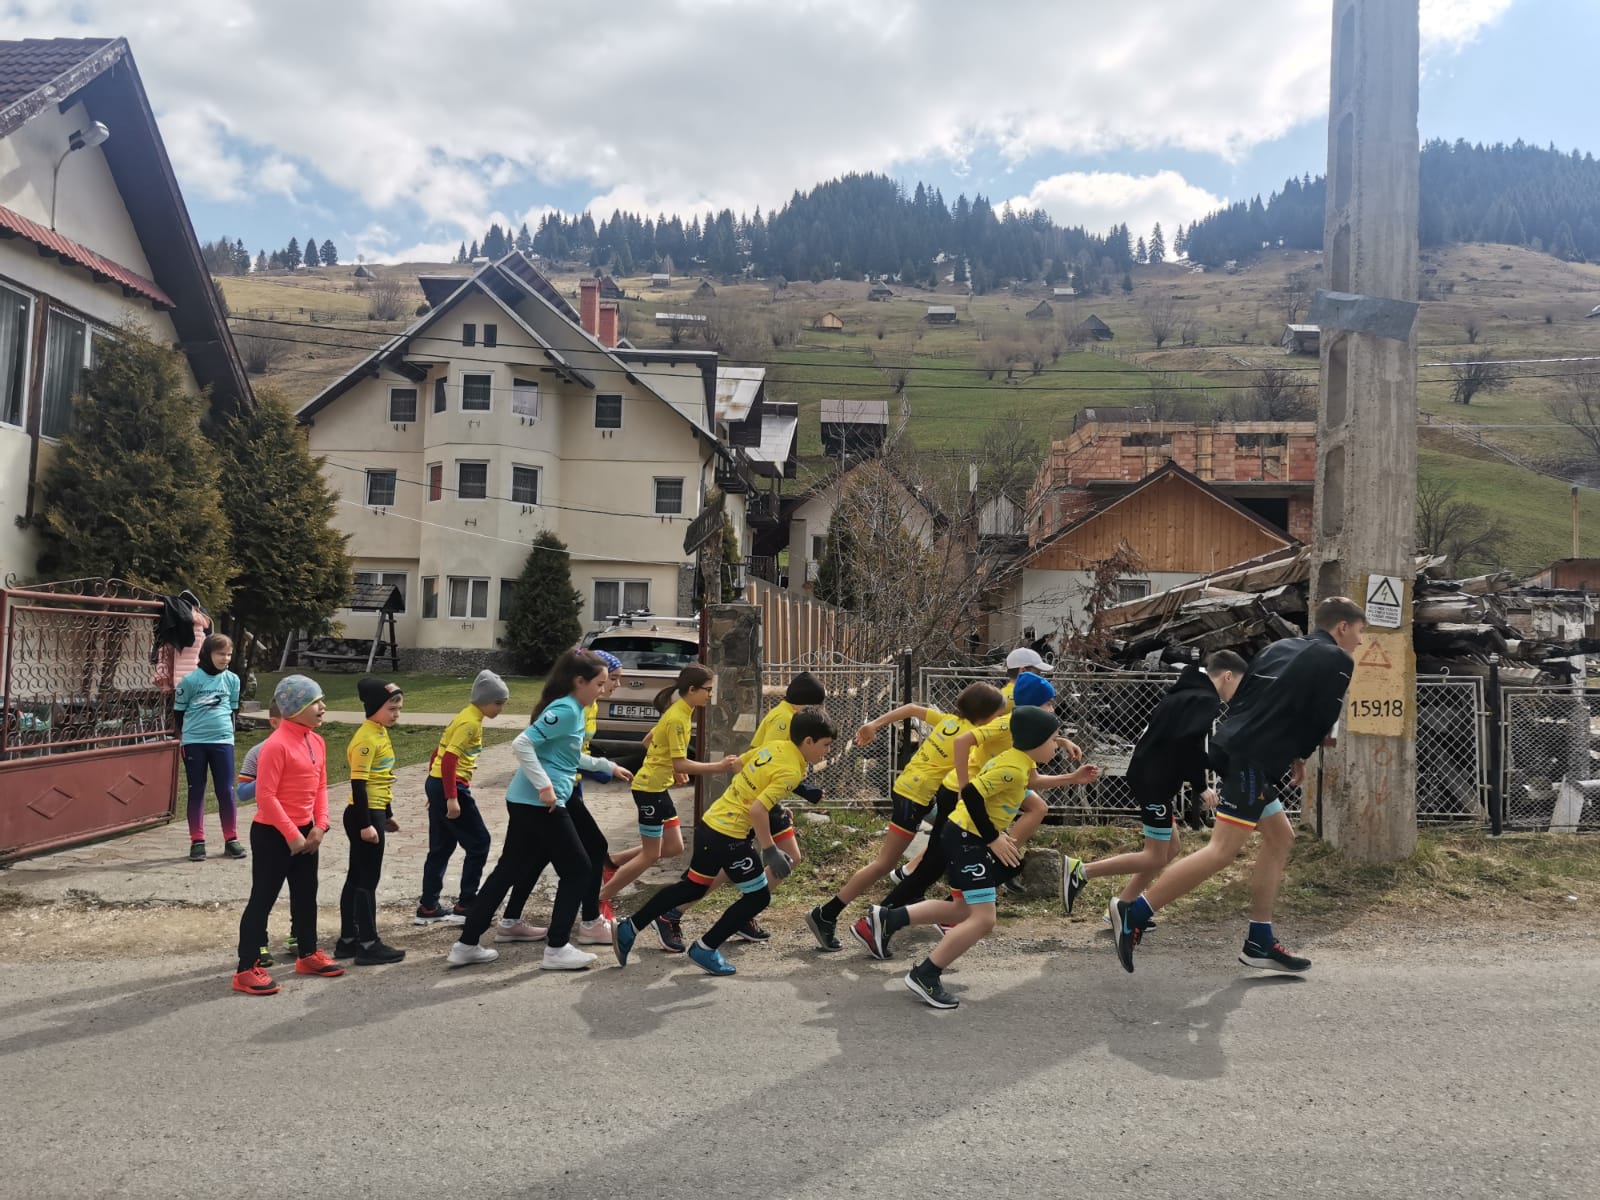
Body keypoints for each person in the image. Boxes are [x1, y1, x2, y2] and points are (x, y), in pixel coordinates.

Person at [1109, 598, 1363, 975]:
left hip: (1236, 748)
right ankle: (1134, 913)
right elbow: (1323, 714)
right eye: (1359, 632)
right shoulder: (1338, 660)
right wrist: (1301, 755)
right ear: (1342, 627)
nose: (1359, 641)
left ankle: (1259, 940)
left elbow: (1243, 697)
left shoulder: (1278, 647)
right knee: (1221, 850)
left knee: (1280, 837)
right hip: (1253, 760)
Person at [858, 706, 1099, 1008]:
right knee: (984, 919)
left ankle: (888, 918)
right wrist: (993, 837)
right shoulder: (1010, 766)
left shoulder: (1020, 761)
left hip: (963, 835)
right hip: (966, 839)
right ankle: (925, 974)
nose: (1057, 745)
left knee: (961, 910)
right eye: (1053, 739)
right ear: (1036, 742)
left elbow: (1030, 784)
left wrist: (1072, 778)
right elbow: (971, 793)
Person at [612, 711, 836, 977]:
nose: (827, 752)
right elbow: (757, 810)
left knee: (693, 888)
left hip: (711, 823)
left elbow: (741, 765)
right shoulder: (791, 769)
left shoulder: (777, 746)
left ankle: (629, 927)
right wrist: (770, 850)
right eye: (826, 745)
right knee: (758, 896)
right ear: (808, 741)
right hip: (729, 835)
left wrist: (785, 791)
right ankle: (706, 947)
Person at [448, 651, 632, 971]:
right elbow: (522, 744)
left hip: (529, 802)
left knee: (507, 870)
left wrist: (607, 766)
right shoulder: (565, 709)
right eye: (599, 684)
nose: (603, 690)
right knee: (577, 868)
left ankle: (466, 944)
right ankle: (558, 948)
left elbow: (566, 755)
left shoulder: (574, 709)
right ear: (579, 681)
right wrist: (545, 785)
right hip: (539, 803)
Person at [804, 681, 1006, 950]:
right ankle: (826, 914)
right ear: (986, 717)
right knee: (884, 863)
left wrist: (873, 725)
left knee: (938, 844)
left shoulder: (947, 721)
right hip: (914, 798)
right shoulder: (972, 737)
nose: (1000, 720)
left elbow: (911, 708)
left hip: (912, 791)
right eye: (998, 716)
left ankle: (911, 891)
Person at [1062, 651, 1247, 923]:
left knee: (1169, 850)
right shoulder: (1205, 700)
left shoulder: (1185, 692)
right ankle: (1082, 871)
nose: (1236, 693)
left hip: (1151, 775)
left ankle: (1122, 909)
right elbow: (1188, 744)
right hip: (1155, 781)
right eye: (1238, 684)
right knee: (1154, 856)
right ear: (1228, 675)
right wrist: (1201, 786)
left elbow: (1180, 741)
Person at [874, 671, 1065, 916]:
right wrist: (965, 787)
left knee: (942, 861)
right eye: (1048, 703)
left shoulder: (1026, 727)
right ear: (1033, 703)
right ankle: (887, 913)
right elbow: (963, 741)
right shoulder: (1008, 723)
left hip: (977, 794)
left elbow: (1033, 772)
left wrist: (1063, 745)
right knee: (936, 862)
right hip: (959, 793)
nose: (1052, 708)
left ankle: (949, 905)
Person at [597, 664, 741, 951]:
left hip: (657, 787)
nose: (709, 696)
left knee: (673, 847)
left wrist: (670, 769)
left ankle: (611, 861)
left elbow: (649, 740)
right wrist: (719, 767)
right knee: (651, 854)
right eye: (707, 690)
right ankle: (597, 902)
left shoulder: (679, 712)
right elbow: (679, 761)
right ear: (692, 690)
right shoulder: (678, 717)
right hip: (649, 790)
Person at [497, 649, 628, 943]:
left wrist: (605, 766)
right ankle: (588, 923)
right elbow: (536, 746)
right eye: (612, 679)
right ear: (585, 681)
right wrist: (548, 785)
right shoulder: (575, 706)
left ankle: (511, 919)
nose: (615, 685)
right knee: (590, 850)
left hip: (567, 786)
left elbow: (574, 753)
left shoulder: (584, 704)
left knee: (539, 855)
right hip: (556, 791)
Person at [231, 675, 344, 996]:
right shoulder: (276, 745)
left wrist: (320, 825)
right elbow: (265, 796)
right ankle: (245, 968)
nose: (323, 707)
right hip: (273, 834)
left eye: (321, 700)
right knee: (262, 899)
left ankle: (307, 954)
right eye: (316, 702)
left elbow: (321, 786)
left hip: (307, 832)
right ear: (295, 709)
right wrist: (293, 835)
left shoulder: (316, 741)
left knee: (306, 894)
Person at [737, 670, 828, 939]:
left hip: (767, 799)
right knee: (725, 869)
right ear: (807, 703)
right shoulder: (783, 720)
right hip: (759, 800)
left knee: (789, 858)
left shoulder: (788, 715)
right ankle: (742, 912)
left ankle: (745, 912)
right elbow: (770, 762)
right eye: (817, 705)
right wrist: (802, 790)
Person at [415, 670, 507, 925]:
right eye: (498, 703)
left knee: (441, 847)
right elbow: (450, 759)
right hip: (452, 786)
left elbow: (438, 751)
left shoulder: (465, 716)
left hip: (440, 785)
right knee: (479, 843)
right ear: (484, 700)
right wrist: (450, 797)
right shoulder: (470, 722)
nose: (500, 709)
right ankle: (466, 904)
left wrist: (436, 791)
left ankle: (429, 907)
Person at [334, 678, 407, 966]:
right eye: (391, 708)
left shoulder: (379, 732)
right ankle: (367, 943)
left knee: (357, 877)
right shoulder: (366, 738)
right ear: (375, 707)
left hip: (374, 812)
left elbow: (382, 779)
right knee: (366, 881)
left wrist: (386, 815)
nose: (396, 713)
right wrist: (367, 824)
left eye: (399, 708)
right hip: (363, 814)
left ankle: (348, 941)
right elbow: (359, 784)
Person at [175, 633, 244, 861]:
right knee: (197, 790)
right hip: (194, 743)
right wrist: (185, 738)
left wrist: (228, 735)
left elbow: (233, 710)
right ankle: (197, 841)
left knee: (226, 790)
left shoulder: (233, 680)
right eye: (220, 654)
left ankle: (231, 839)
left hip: (223, 742)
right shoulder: (190, 681)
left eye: (229, 654)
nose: (225, 658)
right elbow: (178, 713)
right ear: (206, 653)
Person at [235, 702, 280, 804]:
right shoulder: (257, 751)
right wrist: (268, 778)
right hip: (269, 817)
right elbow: (242, 793)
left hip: (304, 816)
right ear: (274, 723)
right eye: (289, 721)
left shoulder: (311, 746)